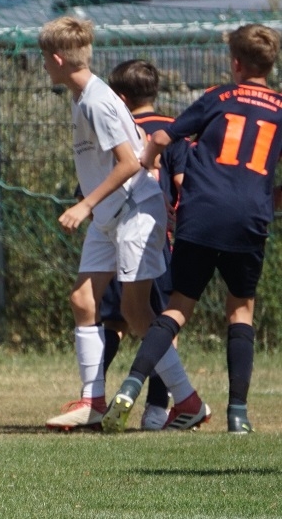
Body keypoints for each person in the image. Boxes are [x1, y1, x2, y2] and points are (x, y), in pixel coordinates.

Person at [103, 23, 282, 434]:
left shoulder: (220, 97)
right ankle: (238, 415)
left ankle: (131, 385)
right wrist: (269, 197)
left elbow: (165, 136)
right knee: (240, 310)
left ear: (236, 63)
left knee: (177, 307)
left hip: (200, 214)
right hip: (249, 217)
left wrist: (147, 158)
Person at [39, 17, 192, 432]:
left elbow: (129, 163)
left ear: (57, 59)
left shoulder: (97, 100)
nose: (44, 66)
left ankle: (188, 400)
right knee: (82, 300)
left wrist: (85, 204)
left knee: (136, 313)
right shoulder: (82, 96)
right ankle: (92, 401)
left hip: (133, 210)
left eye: (44, 58)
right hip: (111, 214)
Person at [105, 59, 189, 430]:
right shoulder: (174, 130)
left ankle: (93, 396)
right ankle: (156, 408)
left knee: (115, 319)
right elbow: (184, 185)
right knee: (163, 322)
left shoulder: (118, 130)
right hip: (161, 240)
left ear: (120, 98)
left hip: (120, 233)